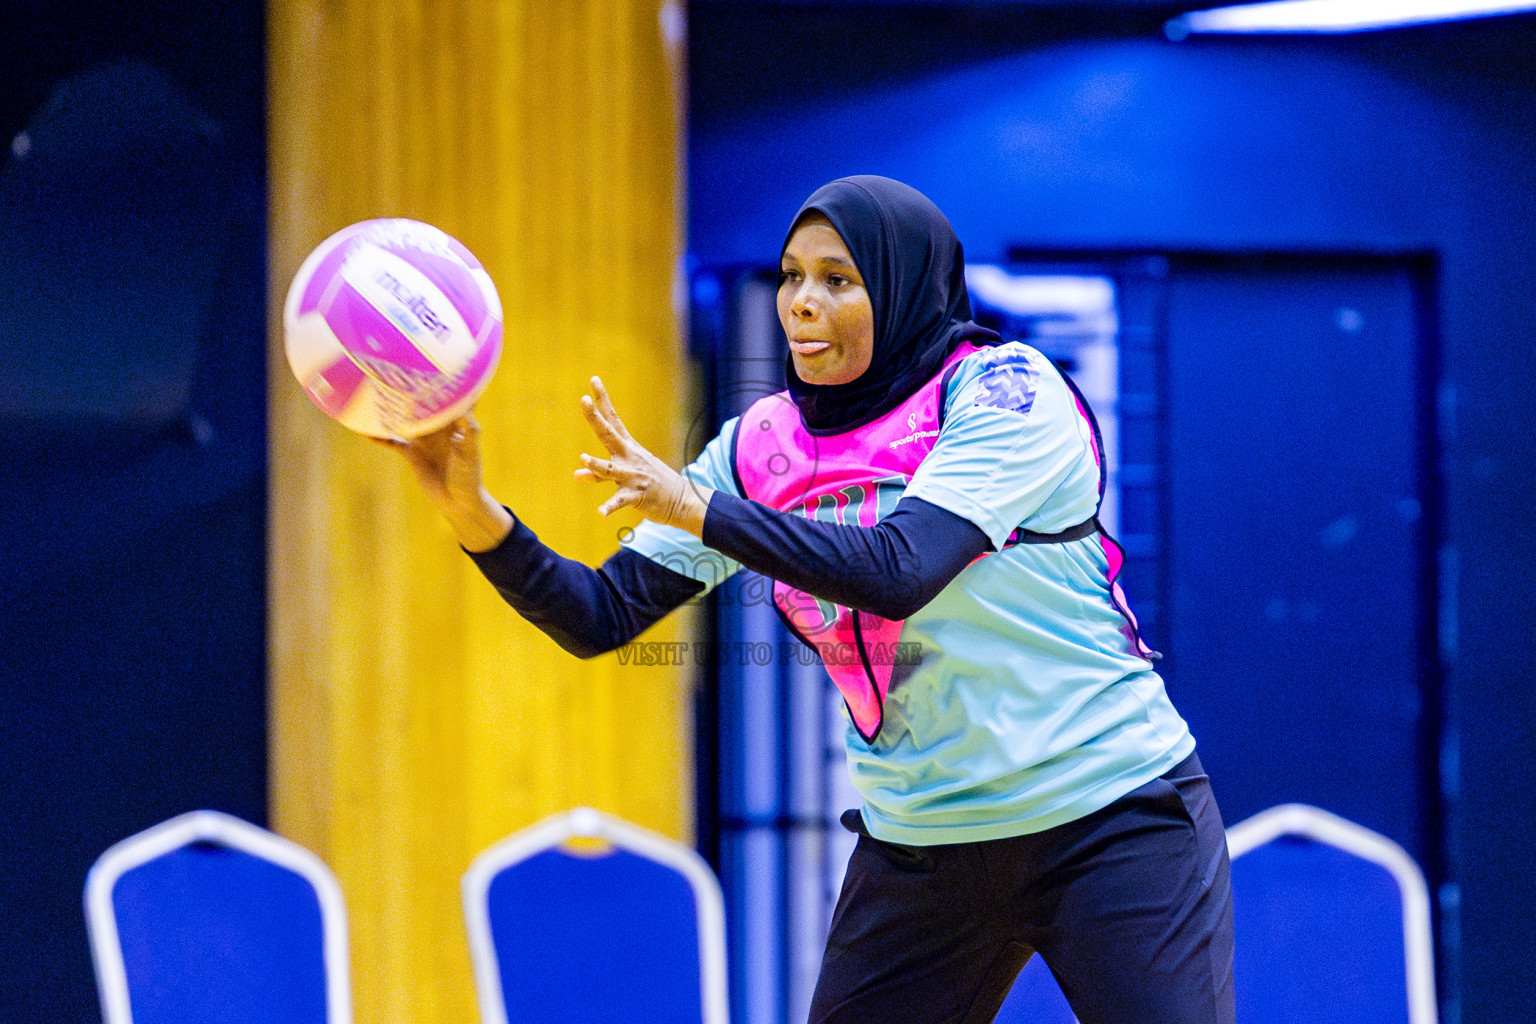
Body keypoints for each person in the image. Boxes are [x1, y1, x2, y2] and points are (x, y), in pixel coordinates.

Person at [387, 175, 1234, 1024]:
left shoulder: (1004, 393)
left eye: (837, 280)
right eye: (792, 276)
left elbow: (900, 569)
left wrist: (695, 508)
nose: (801, 303)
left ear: (904, 287)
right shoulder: (763, 447)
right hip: (924, 844)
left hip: (1111, 819)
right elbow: (599, 615)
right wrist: (472, 513)